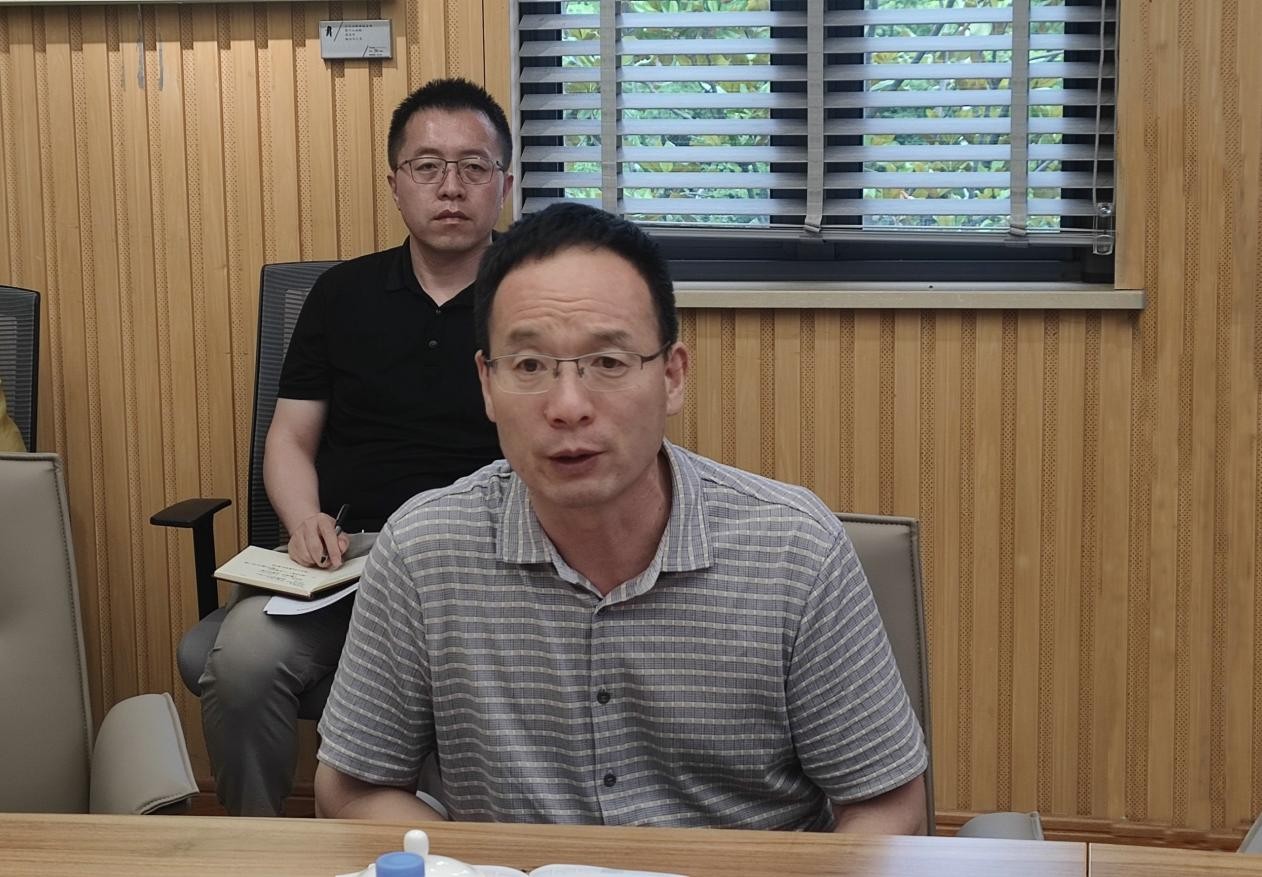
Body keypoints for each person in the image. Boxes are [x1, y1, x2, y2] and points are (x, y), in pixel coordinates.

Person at [314, 203, 930, 833]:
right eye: (529, 366)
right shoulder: (423, 551)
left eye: (608, 362)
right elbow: (355, 788)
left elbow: (884, 801)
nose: (568, 406)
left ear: (672, 376)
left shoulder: (794, 550)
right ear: (487, 384)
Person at [198, 77, 512, 817]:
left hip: (487, 563)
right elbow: (290, 436)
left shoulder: (534, 294)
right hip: (349, 559)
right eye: (427, 166)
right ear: (394, 183)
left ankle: (457, 854)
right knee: (242, 662)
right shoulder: (341, 294)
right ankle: (260, 853)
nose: (451, 187)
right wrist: (303, 518)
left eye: (474, 167)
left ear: (504, 183)